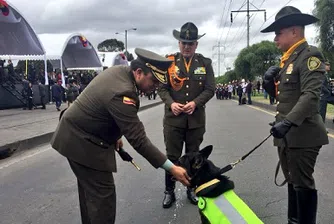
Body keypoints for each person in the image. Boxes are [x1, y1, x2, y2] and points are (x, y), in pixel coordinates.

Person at [50, 48, 190, 224]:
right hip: (82, 143)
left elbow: (103, 108)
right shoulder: (123, 92)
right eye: (154, 81)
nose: (156, 86)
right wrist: (172, 168)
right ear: (139, 73)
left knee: (90, 198)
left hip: (75, 135)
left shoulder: (120, 71)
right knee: (103, 200)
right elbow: (139, 141)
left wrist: (115, 134)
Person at [261, 6, 329, 224]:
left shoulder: (310, 56)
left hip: (304, 134)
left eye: (278, 33)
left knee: (302, 184)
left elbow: (310, 96)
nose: (275, 38)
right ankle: (294, 221)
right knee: (292, 181)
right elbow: (285, 98)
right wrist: (268, 84)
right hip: (288, 134)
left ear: (294, 32)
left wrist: (288, 122)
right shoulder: (288, 60)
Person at [158, 22, 215, 208]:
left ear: (196, 44)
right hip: (173, 121)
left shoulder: (205, 63)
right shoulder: (169, 63)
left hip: (195, 121)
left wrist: (195, 103)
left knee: (194, 158)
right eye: (184, 42)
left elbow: (210, 88)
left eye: (190, 43)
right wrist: (171, 103)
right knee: (172, 157)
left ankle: (191, 189)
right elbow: (162, 88)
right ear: (178, 43)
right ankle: (169, 191)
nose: (187, 46)